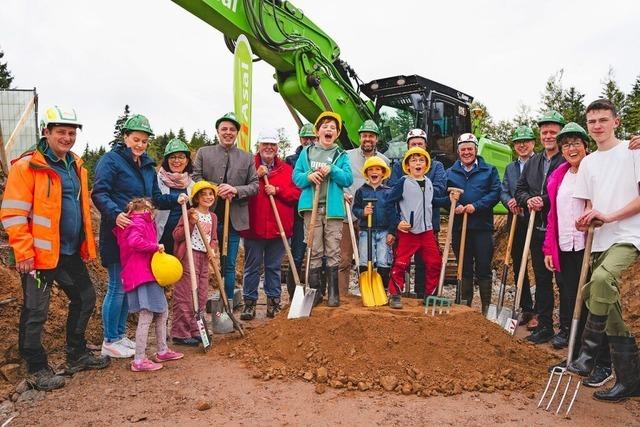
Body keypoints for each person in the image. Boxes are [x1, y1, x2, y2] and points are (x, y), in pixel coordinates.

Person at [1, 106, 109, 391]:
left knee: (85, 298)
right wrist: (23, 252)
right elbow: (13, 214)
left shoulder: (75, 166)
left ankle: (76, 354)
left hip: (69, 251)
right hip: (38, 255)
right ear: (46, 132)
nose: (67, 137)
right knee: (36, 311)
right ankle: (36, 367)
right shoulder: (27, 167)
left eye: (71, 132)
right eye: (60, 131)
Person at [92, 114, 184, 358]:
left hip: (139, 236)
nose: (140, 145)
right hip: (118, 231)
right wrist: (115, 214)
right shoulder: (111, 161)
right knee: (116, 286)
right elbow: (99, 193)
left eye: (144, 141)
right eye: (136, 139)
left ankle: (120, 336)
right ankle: (110, 339)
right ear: (125, 138)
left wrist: (178, 198)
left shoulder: (147, 167)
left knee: (127, 285)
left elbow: (155, 198)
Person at [567, 99, 640, 402]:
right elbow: (588, 203)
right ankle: (630, 379)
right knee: (608, 307)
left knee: (598, 282)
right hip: (599, 239)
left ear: (616, 122)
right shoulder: (589, 162)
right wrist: (587, 219)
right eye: (592, 121)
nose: (597, 126)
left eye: (603, 120)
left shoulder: (633, 151)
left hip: (628, 235)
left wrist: (609, 216)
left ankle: (587, 354)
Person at [542, 122, 613, 387]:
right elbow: (553, 215)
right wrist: (549, 247)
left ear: (586, 146)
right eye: (566, 144)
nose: (571, 148)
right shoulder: (559, 175)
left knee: (595, 305)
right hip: (566, 247)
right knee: (573, 302)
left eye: (576, 143)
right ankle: (577, 355)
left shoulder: (596, 169)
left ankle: (603, 363)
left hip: (592, 247)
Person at [192, 112, 259, 303]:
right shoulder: (204, 153)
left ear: (237, 132)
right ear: (217, 131)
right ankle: (200, 302)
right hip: (206, 217)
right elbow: (195, 177)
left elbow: (255, 186)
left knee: (229, 264)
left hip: (234, 220)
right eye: (224, 129)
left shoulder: (247, 157)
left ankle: (227, 301)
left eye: (232, 129)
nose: (228, 132)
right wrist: (214, 189)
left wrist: (235, 189)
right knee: (205, 262)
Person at [514, 111, 567, 344]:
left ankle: (565, 329)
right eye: (544, 132)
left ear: (560, 134)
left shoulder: (567, 158)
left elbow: (566, 189)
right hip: (536, 229)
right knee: (543, 279)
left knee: (563, 280)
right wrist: (528, 200)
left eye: (553, 132)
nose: (548, 136)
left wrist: (543, 200)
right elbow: (520, 188)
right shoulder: (534, 162)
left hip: (560, 229)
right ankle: (545, 325)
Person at [114, 198, 184, 372]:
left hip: (140, 273)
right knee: (148, 314)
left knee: (161, 311)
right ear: (148, 210)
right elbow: (134, 241)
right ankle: (139, 359)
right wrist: (155, 246)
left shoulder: (133, 221)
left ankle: (162, 350)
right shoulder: (139, 222)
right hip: (143, 274)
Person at [293, 111, 353, 306]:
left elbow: (348, 179)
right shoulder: (307, 153)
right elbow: (297, 177)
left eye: (333, 128)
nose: (329, 130)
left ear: (336, 134)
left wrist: (333, 170)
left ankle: (333, 293)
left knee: (333, 249)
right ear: (318, 131)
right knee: (315, 249)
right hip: (311, 208)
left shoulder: (340, 155)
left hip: (333, 209)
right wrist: (309, 176)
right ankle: (316, 291)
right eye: (325, 126)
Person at [240, 132, 301, 320]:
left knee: (273, 267)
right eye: (265, 144)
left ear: (277, 148)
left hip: (279, 228)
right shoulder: (249, 167)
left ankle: (273, 302)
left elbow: (296, 194)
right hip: (254, 228)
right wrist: (255, 177)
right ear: (259, 146)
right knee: (252, 267)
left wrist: (278, 190)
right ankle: (249, 303)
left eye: (273, 145)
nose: (269, 148)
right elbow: (239, 190)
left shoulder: (287, 170)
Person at [438, 133, 500, 314]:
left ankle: (486, 308)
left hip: (482, 227)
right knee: (463, 268)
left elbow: (495, 193)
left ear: (475, 150)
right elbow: (442, 196)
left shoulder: (489, 171)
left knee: (483, 267)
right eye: (463, 149)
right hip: (459, 228)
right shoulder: (449, 173)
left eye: (470, 149)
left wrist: (476, 206)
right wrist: (453, 203)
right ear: (458, 151)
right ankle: (465, 308)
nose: (467, 152)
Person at [388, 128, 446, 300]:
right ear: (407, 165)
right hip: (409, 231)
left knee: (434, 263)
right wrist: (397, 222)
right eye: (414, 160)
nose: (418, 163)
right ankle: (394, 293)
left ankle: (430, 294)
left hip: (427, 230)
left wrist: (450, 200)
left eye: (421, 160)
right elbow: (389, 202)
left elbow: (433, 201)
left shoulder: (429, 182)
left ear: (426, 164)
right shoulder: (402, 182)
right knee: (400, 262)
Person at [341, 120, 390, 295]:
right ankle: (342, 296)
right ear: (360, 138)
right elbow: (338, 180)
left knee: (373, 258)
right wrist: (342, 195)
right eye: (364, 136)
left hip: (373, 220)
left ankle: (370, 293)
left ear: (376, 139)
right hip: (349, 214)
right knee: (344, 260)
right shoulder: (346, 156)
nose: (367, 139)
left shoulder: (385, 160)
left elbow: (387, 191)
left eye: (371, 136)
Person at [500, 126, 535, 326]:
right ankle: (526, 308)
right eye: (518, 142)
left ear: (532, 143)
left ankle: (540, 312)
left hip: (536, 220)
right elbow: (504, 190)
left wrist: (525, 202)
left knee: (539, 266)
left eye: (526, 141)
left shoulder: (540, 163)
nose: (522, 145)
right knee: (518, 263)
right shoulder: (511, 168)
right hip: (516, 220)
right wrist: (509, 202)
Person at [285, 123, 317, 298]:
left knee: (317, 255)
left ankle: (317, 291)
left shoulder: (320, 157)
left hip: (317, 211)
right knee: (297, 254)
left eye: (312, 138)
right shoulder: (291, 160)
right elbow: (290, 184)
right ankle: (293, 294)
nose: (309, 141)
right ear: (300, 139)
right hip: (298, 214)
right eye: (306, 138)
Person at [351, 156, 394, 289]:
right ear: (366, 173)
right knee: (364, 258)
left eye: (378, 169)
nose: (374, 172)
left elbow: (393, 213)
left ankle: (383, 289)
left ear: (383, 173)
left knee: (383, 259)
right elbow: (355, 208)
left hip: (384, 231)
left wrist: (392, 232)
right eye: (371, 169)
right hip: (366, 231)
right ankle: (366, 288)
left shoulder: (388, 192)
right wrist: (363, 212)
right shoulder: (361, 191)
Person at [155, 138, 195, 255]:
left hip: (184, 240)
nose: (176, 160)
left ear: (187, 161)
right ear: (166, 160)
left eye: (181, 157)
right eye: (172, 157)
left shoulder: (192, 185)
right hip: (160, 238)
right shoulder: (157, 181)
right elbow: (154, 201)